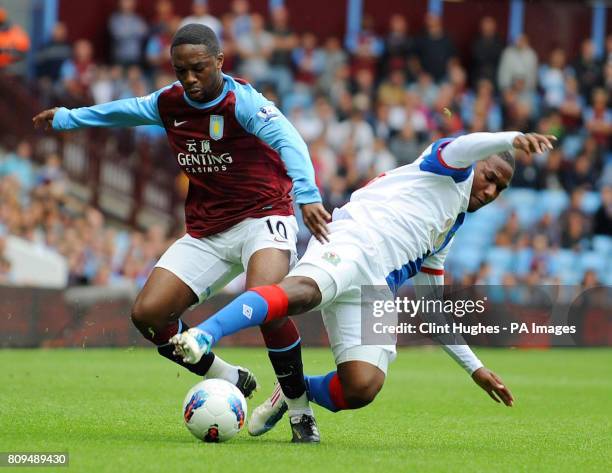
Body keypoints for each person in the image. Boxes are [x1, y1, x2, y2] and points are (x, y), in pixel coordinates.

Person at [33, 24, 330, 439]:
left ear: (220, 63)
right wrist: (68, 118)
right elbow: (124, 110)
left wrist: (308, 195)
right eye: (180, 70)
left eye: (199, 69)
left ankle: (300, 411)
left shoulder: (240, 102)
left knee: (268, 302)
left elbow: (289, 139)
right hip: (208, 229)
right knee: (149, 315)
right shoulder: (170, 102)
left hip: (264, 216)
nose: (190, 79)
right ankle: (228, 374)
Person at [170, 131, 557, 442]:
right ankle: (205, 334)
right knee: (302, 294)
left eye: (500, 190)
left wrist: (476, 368)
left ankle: (292, 392)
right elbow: (463, 145)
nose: (490, 192)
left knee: (361, 388)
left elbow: (432, 309)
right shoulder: (450, 168)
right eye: (490, 178)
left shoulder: (446, 233)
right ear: (478, 164)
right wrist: (510, 139)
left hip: (376, 288)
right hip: (352, 241)